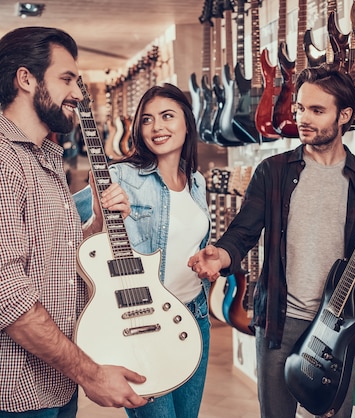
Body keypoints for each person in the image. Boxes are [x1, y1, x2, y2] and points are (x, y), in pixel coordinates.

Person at [0, 26, 148, 417]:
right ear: (25, 79)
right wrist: (93, 375)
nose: (78, 93)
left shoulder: (43, 158)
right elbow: (6, 298)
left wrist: (99, 224)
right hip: (8, 391)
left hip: (53, 381)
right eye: (67, 78)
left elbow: (55, 255)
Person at [188, 66, 355, 418]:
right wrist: (219, 256)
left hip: (339, 328)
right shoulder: (274, 171)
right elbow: (243, 232)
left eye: (316, 110)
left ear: (344, 115)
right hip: (280, 321)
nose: (302, 118)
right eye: (299, 108)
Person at [73, 83, 212, 418]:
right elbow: (74, 239)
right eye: (147, 120)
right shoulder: (117, 175)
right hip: (145, 321)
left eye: (167, 116)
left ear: (187, 123)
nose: (157, 127)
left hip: (194, 317)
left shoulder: (196, 182)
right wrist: (99, 216)